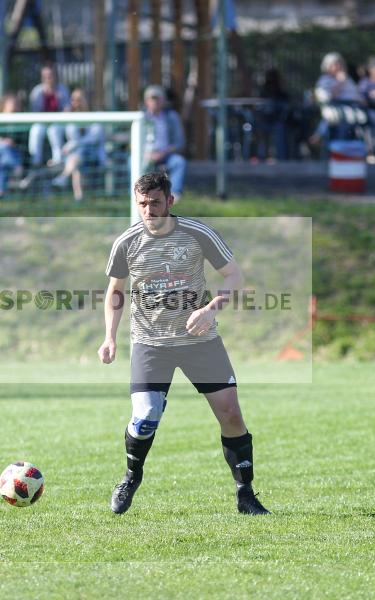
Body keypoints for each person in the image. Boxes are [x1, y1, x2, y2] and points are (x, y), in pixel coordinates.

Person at [99, 171, 269, 516]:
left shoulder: (197, 233)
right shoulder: (127, 243)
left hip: (199, 342)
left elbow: (235, 277)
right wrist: (109, 337)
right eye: (143, 204)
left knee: (231, 414)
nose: (149, 210)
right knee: (145, 416)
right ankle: (132, 476)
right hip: (150, 343)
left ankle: (246, 495)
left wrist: (210, 309)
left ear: (170, 201)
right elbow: (115, 292)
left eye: (156, 203)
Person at [313, 52, 375, 160]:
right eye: (335, 64)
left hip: (356, 107)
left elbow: (355, 94)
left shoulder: (346, 78)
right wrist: (340, 82)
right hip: (340, 109)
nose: (338, 67)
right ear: (328, 66)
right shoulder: (325, 80)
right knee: (360, 120)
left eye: (339, 64)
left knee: (374, 117)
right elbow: (329, 97)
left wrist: (361, 100)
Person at [52, 88, 106, 202]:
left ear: (86, 100)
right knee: (76, 161)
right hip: (74, 156)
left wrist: (73, 145)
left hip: (92, 154)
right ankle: (79, 197)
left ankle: (63, 177)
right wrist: (64, 117)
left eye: (79, 99)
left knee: (78, 154)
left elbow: (93, 139)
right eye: (73, 99)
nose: (76, 102)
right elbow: (54, 130)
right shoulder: (70, 116)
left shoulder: (96, 116)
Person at [142, 85, 186, 201]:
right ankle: (137, 194)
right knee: (131, 161)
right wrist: (146, 154)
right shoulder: (141, 118)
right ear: (146, 101)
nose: (155, 101)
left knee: (179, 162)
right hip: (145, 155)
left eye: (158, 98)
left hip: (166, 155)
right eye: (152, 98)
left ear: (163, 101)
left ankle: (174, 194)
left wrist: (164, 153)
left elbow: (179, 142)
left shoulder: (172, 117)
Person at [27, 65, 70, 166]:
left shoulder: (63, 90)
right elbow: (35, 112)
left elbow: (67, 109)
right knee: (36, 131)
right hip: (42, 122)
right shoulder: (37, 91)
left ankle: (57, 161)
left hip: (58, 122)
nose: (48, 78)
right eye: (45, 76)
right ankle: (35, 162)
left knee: (54, 131)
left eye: (50, 75)